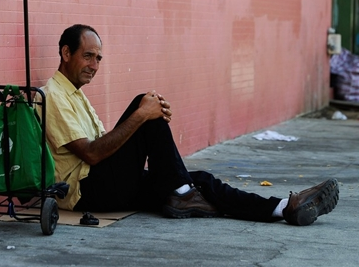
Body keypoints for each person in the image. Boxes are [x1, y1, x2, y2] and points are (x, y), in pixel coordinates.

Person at [42, 24, 339, 226]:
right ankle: (182, 191)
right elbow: (92, 155)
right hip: (86, 192)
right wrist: (142, 116)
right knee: (142, 105)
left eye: (98, 58)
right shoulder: (53, 96)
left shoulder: (76, 95)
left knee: (202, 181)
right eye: (87, 56)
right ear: (66, 53)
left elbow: (107, 145)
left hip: (105, 185)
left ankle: (282, 208)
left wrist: (145, 119)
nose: (94, 65)